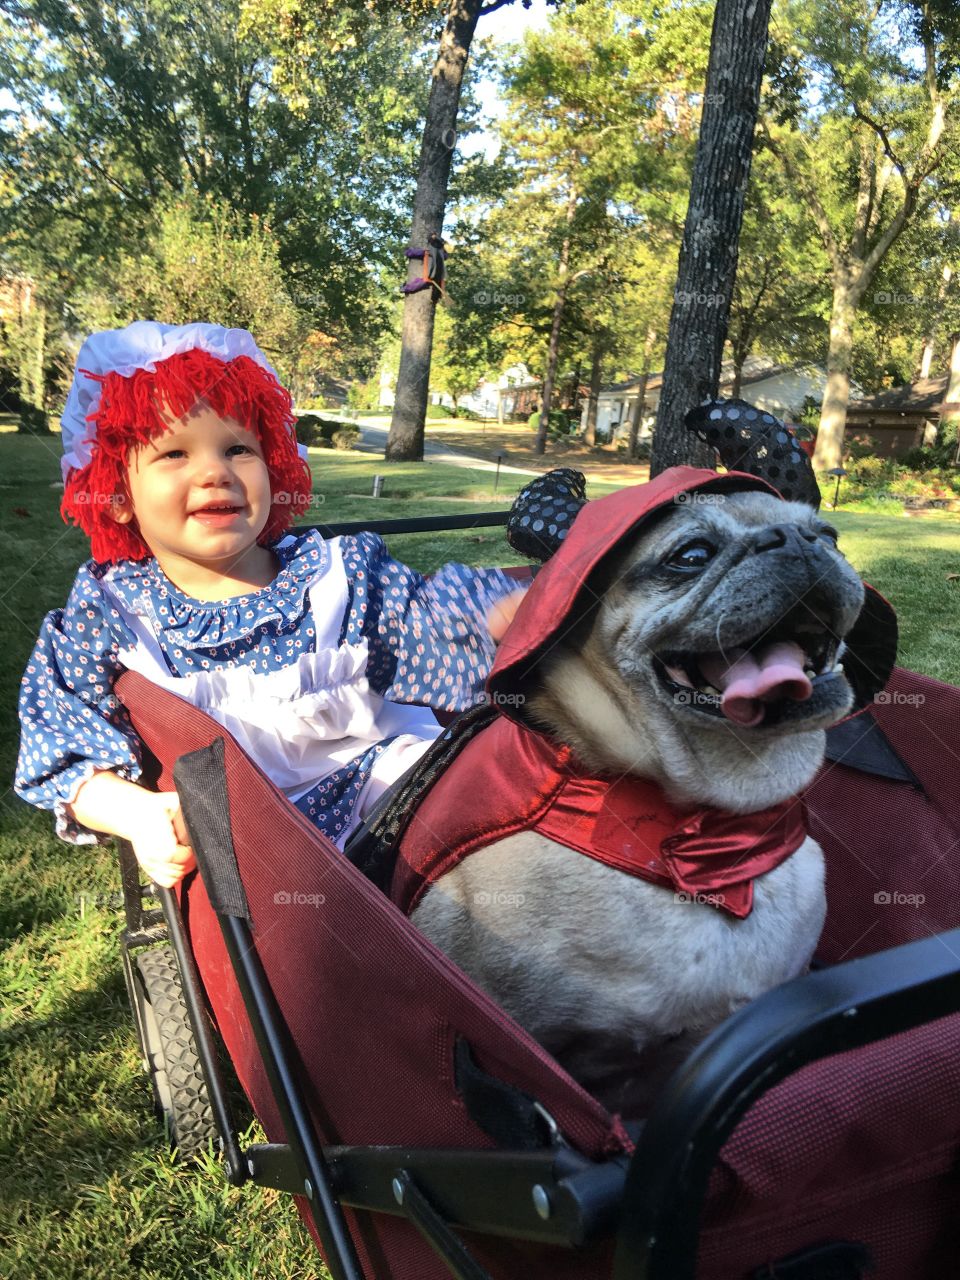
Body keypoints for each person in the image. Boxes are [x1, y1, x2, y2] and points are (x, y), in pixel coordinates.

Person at [15, 321, 523, 888]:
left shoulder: (336, 579)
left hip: (396, 791)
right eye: (174, 453)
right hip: (262, 860)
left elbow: (432, 622)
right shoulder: (112, 611)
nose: (214, 471)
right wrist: (135, 814)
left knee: (502, 806)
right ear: (117, 496)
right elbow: (62, 742)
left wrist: (529, 604)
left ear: (274, 463)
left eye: (238, 448)